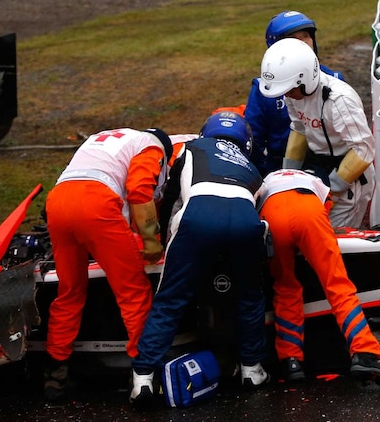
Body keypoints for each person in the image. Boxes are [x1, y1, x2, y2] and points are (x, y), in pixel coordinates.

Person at [130, 111, 270, 407]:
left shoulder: (191, 148)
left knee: (170, 300)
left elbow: (170, 195)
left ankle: (142, 378)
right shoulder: (251, 165)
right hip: (246, 221)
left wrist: (160, 240)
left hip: (198, 216)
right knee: (250, 297)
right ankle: (251, 369)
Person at [43, 127, 173, 402]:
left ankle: (55, 371)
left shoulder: (105, 139)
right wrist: (151, 242)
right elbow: (139, 191)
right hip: (97, 204)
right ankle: (144, 371)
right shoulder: (151, 147)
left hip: (58, 201)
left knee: (70, 291)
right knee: (133, 292)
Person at [257, 168, 380, 387]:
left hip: (271, 212)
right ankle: (365, 353)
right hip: (308, 209)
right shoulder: (316, 180)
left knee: (285, 288)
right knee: (337, 285)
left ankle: (291, 361)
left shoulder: (267, 178)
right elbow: (327, 211)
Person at [258, 38, 374, 228]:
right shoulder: (294, 94)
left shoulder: (339, 100)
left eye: (289, 89)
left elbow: (364, 149)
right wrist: (287, 176)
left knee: (335, 236)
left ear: (305, 78)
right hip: (319, 170)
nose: (286, 95)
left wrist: (332, 189)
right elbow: (299, 128)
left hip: (349, 179)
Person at [245, 10, 345, 177]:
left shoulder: (334, 82)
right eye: (294, 39)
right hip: (278, 167)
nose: (303, 43)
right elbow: (254, 138)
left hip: (327, 168)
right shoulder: (263, 90)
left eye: (306, 36)